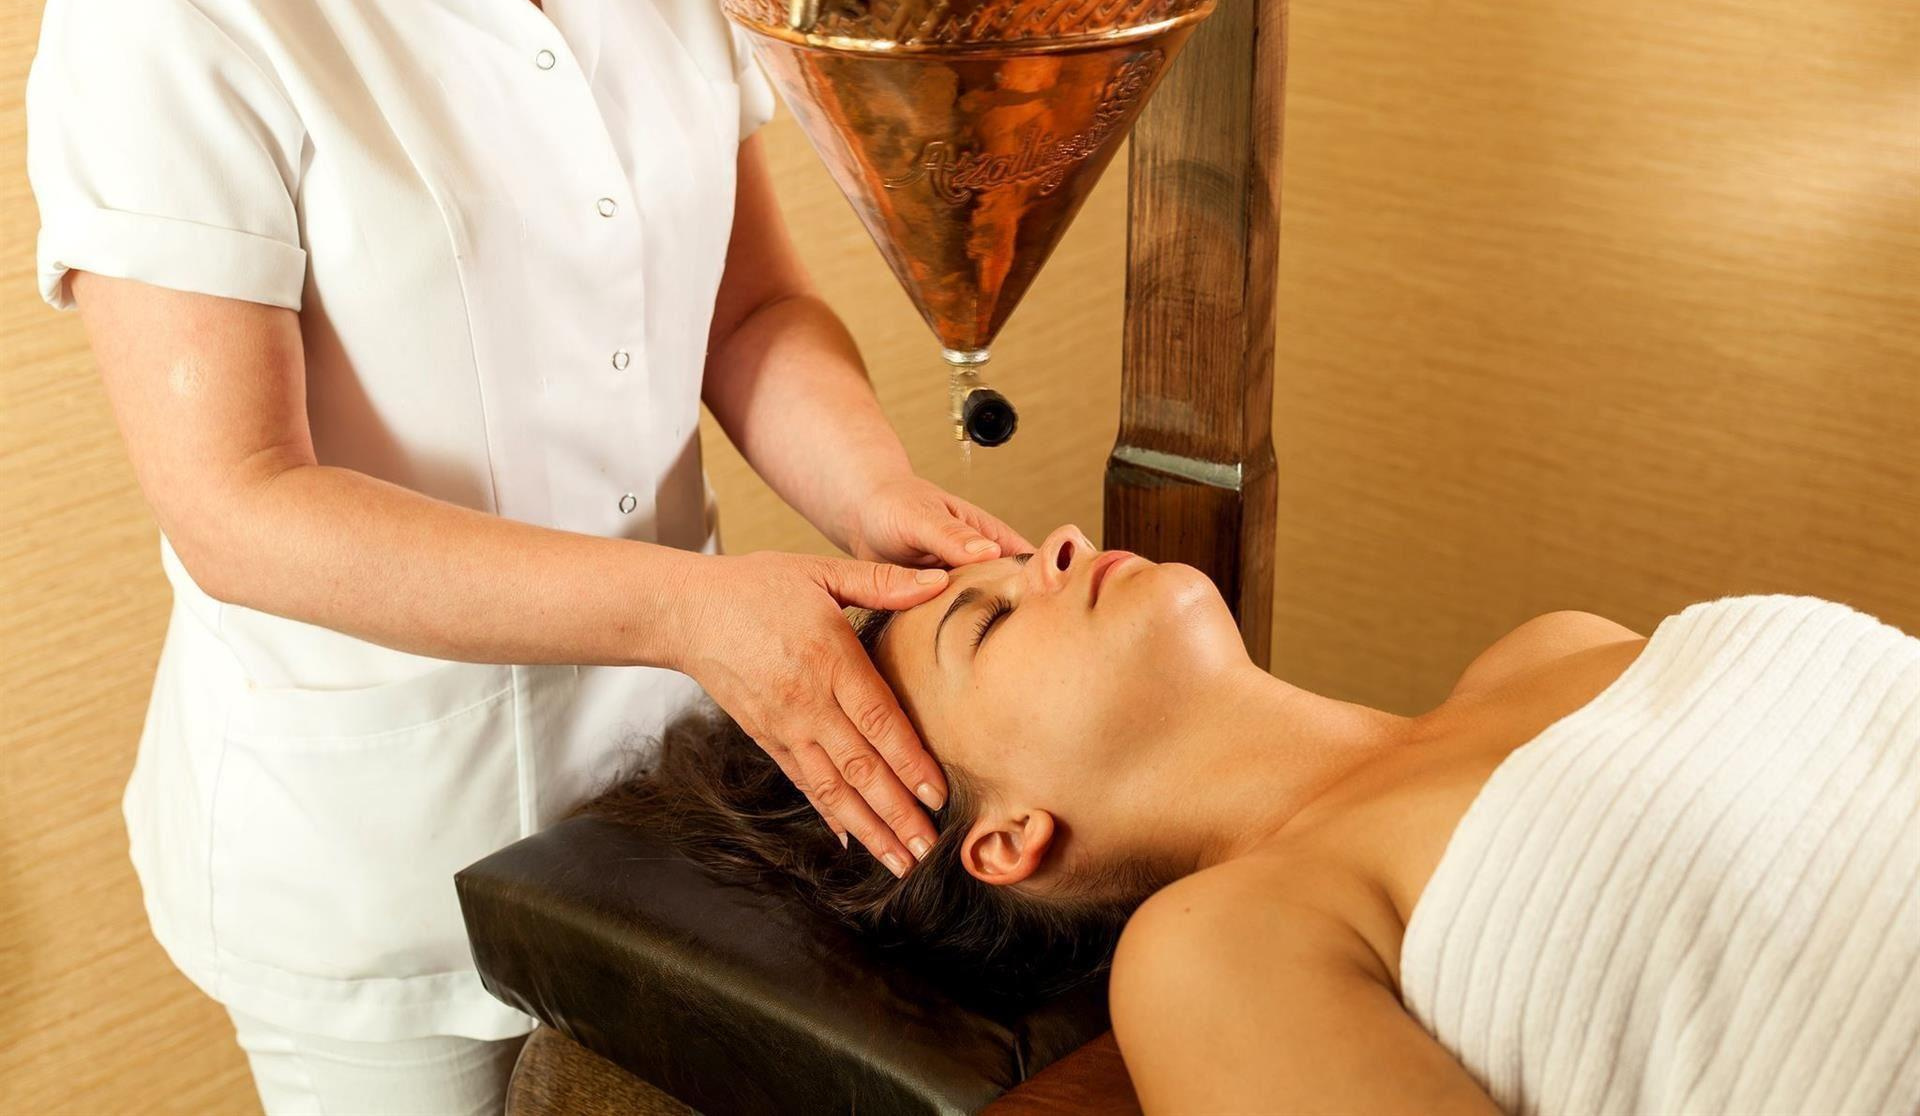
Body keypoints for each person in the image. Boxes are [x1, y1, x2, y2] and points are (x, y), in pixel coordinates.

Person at [25, 0, 1031, 1110]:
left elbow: (749, 311)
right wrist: (686, 611)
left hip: (671, 812)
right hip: (383, 852)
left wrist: (871, 491)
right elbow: (237, 504)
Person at [588, 524, 1920, 1114]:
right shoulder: (1218, 949)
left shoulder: (1552, 645)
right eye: (989, 620)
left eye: (1013, 561)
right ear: (1004, 839)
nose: (1057, 542)